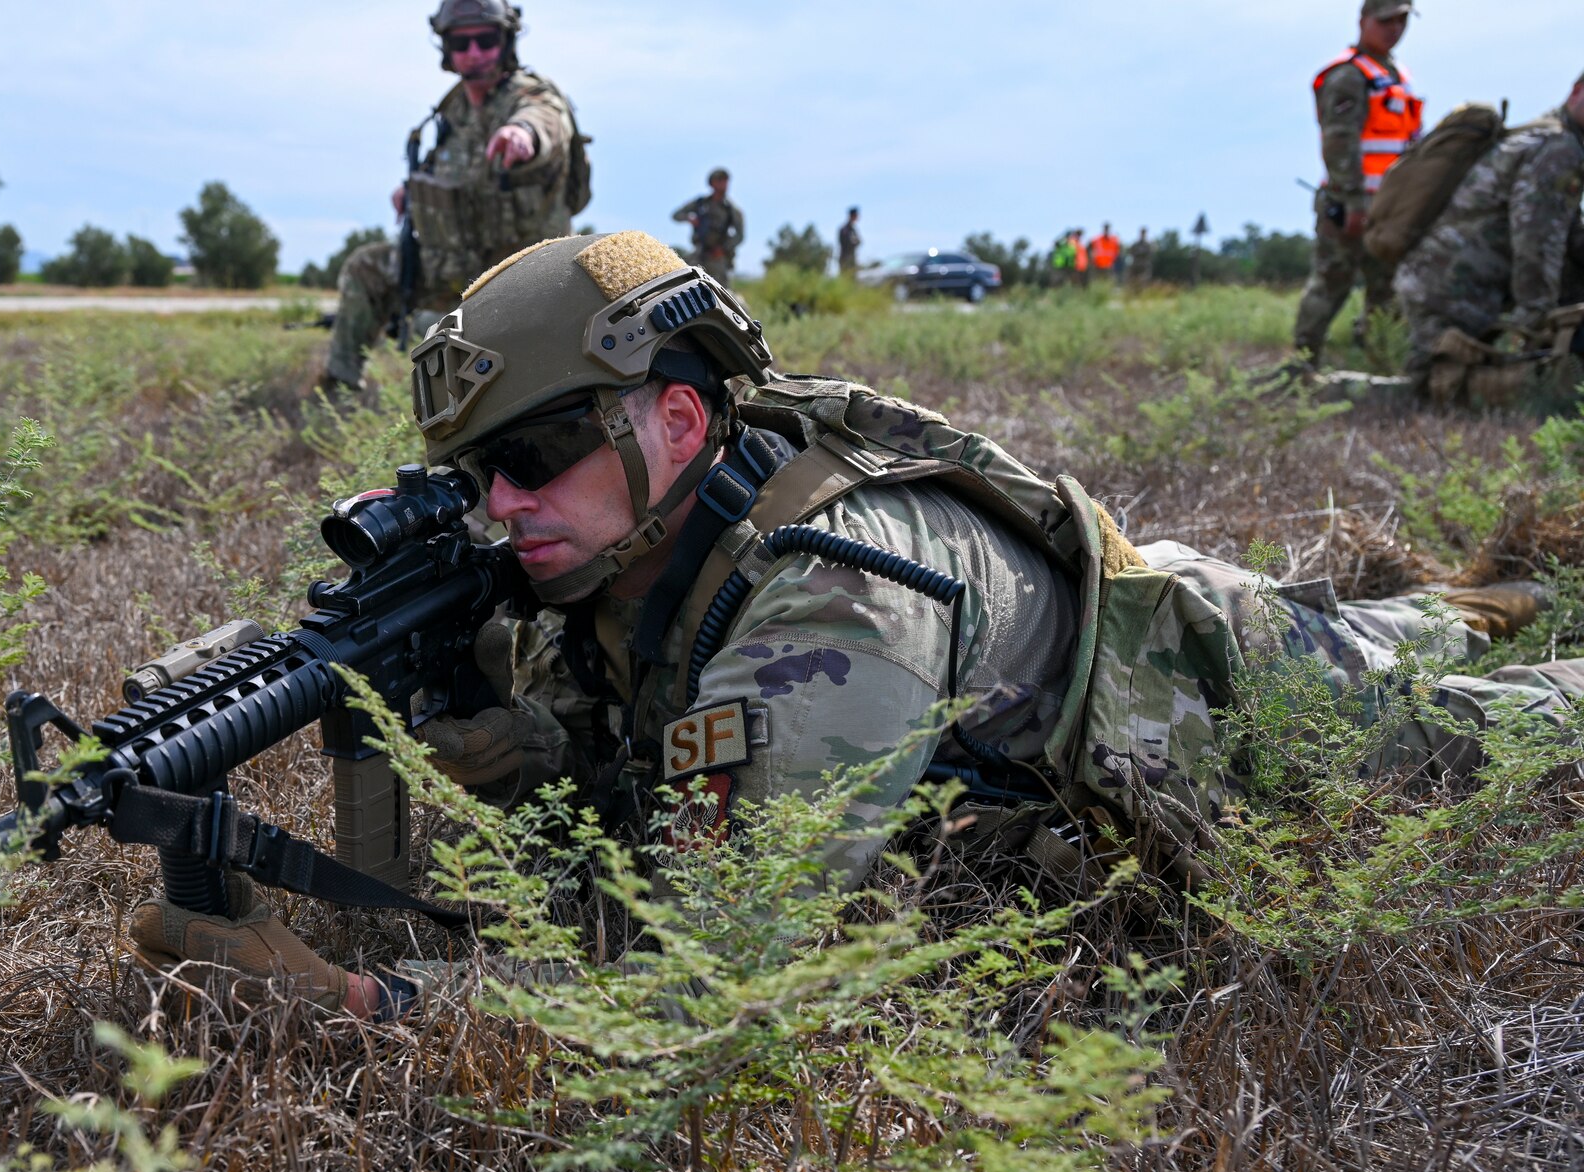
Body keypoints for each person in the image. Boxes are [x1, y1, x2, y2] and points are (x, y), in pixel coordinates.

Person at [130, 230, 1583, 1018]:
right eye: (469, 473)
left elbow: (709, 976)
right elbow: (610, 745)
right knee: (1409, 624)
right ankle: (1468, 599)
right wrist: (441, 732)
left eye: (527, 460)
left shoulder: (834, 601)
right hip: (1103, 619)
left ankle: (1495, 621)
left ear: (675, 421)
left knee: (1466, 721)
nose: (494, 507)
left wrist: (366, 997)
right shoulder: (616, 535)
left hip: (1204, 688)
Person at [323, 0, 585, 392]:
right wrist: (412, 190)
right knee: (367, 268)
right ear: (446, 49)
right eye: (461, 43)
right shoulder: (453, 110)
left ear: (506, 40)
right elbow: (446, 169)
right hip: (452, 265)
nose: (474, 53)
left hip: (520, 275)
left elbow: (543, 120)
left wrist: (522, 134)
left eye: (485, 40)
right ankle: (339, 389)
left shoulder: (531, 96)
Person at [1395, 72, 1584, 395]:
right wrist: (1534, 320)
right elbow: (1536, 241)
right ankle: (1324, 391)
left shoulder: (1545, 136)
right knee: (1441, 390)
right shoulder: (1559, 148)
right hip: (1456, 293)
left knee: (1441, 385)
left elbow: (1565, 233)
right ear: (1577, 92)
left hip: (1447, 284)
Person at [1293, 0, 1423, 363]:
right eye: (1386, 21)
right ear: (1363, 21)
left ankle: (1381, 363)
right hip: (1352, 203)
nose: (1394, 28)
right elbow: (1338, 142)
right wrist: (1351, 200)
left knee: (1387, 290)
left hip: (1391, 205)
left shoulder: (1398, 76)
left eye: (1401, 20)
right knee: (1332, 282)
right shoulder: (1349, 76)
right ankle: (1303, 363)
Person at [672, 169, 745, 288]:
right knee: (683, 279)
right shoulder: (701, 203)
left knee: (721, 290)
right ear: (712, 183)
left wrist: (723, 249)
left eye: (725, 181)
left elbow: (739, 236)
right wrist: (690, 219)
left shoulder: (731, 210)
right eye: (719, 181)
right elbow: (676, 215)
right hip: (700, 252)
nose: (723, 184)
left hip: (718, 256)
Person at [837, 207, 862, 277]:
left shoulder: (853, 229)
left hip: (852, 259)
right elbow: (847, 242)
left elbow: (859, 241)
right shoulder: (845, 229)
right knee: (846, 278)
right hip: (846, 259)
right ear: (853, 215)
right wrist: (854, 242)